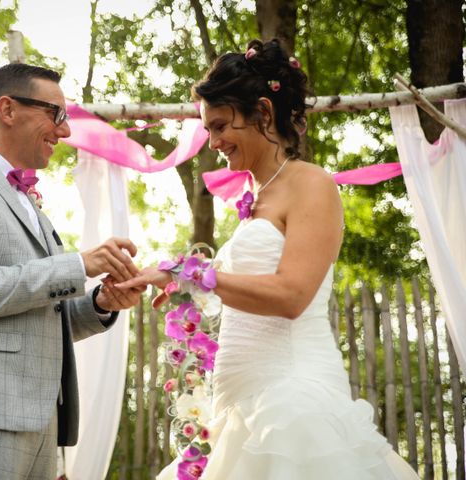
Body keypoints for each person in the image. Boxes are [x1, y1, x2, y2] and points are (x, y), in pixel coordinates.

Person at [117, 39, 419, 479]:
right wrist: (176, 280)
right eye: (208, 130)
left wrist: (190, 272)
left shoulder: (310, 183)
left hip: (290, 401)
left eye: (220, 126)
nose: (214, 141)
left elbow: (292, 295)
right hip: (239, 405)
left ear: (262, 112)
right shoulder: (253, 197)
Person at [0, 63, 142, 479]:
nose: (66, 130)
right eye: (56, 113)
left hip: (44, 424)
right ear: (8, 109)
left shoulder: (30, 203)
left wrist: (100, 302)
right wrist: (77, 264)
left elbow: (41, 315)